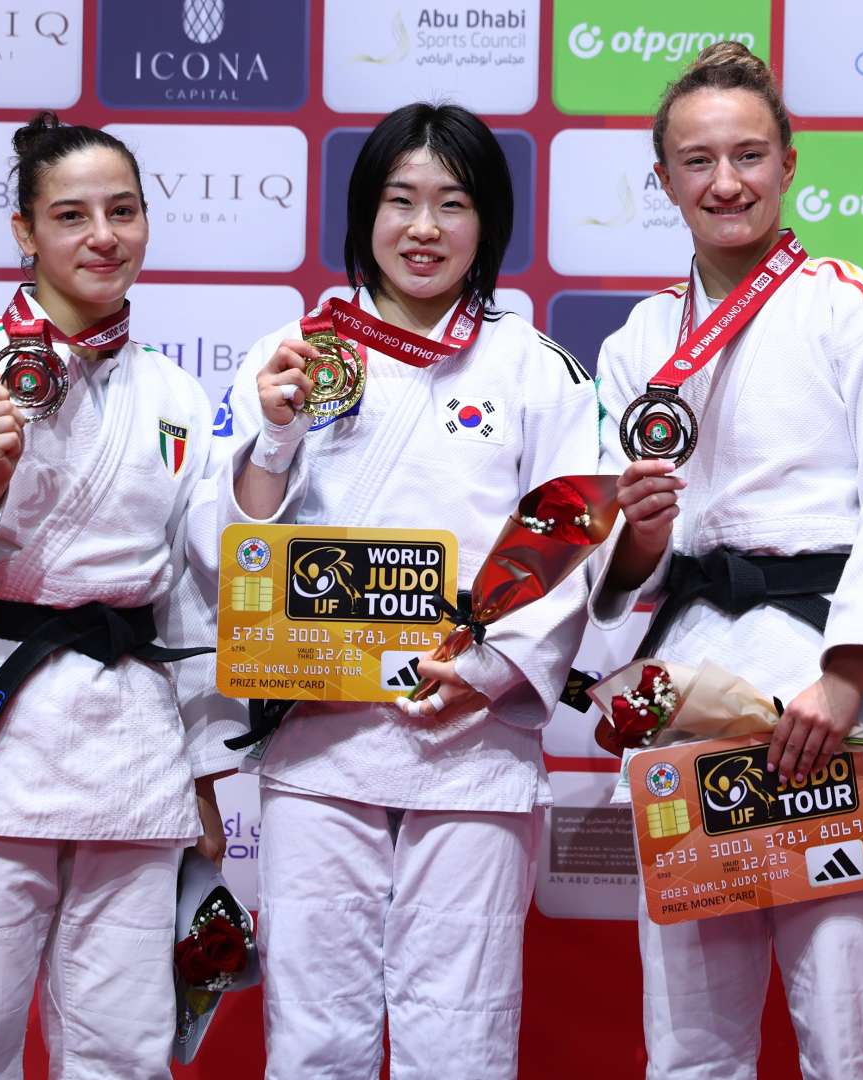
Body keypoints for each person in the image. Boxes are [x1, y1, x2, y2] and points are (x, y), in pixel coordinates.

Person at [0, 112, 244, 1078]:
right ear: (26, 232)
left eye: (123, 210)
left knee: (126, 1048)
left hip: (133, 748)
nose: (102, 235)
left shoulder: (175, 395)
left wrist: (200, 774)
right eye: (71, 215)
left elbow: (192, 604)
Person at [222, 102, 598, 1079]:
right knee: (314, 1024)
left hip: (468, 743)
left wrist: (486, 668)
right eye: (400, 201)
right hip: (321, 738)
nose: (424, 228)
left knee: (460, 1025)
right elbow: (228, 542)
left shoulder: (535, 369)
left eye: (452, 203)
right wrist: (273, 433)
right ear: (364, 213)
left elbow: (566, 536)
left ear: (489, 224)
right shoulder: (294, 355)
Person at [590, 42, 863, 1079]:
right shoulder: (641, 337)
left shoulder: (852, 306)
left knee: (845, 1028)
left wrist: (848, 674)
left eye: (747, 155)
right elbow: (627, 562)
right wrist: (638, 532)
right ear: (663, 182)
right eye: (696, 162)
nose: (724, 182)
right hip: (693, 685)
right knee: (691, 1038)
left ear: (789, 163)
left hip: (822, 692)